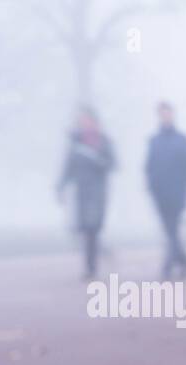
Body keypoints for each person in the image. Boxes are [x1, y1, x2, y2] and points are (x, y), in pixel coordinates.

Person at [145, 101, 186, 279]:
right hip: (160, 194)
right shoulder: (154, 142)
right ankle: (184, 260)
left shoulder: (183, 141)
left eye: (168, 113)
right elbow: (149, 167)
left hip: (178, 192)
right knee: (169, 230)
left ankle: (167, 266)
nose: (165, 116)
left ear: (172, 115)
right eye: (162, 113)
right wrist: (150, 186)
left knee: (172, 229)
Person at [56, 106, 115, 281]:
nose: (85, 124)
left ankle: (94, 261)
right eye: (82, 121)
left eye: (88, 121)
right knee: (86, 229)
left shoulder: (104, 141)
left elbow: (112, 164)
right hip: (82, 192)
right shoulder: (75, 143)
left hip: (98, 191)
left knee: (94, 227)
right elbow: (68, 166)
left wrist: (98, 161)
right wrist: (61, 186)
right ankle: (91, 266)